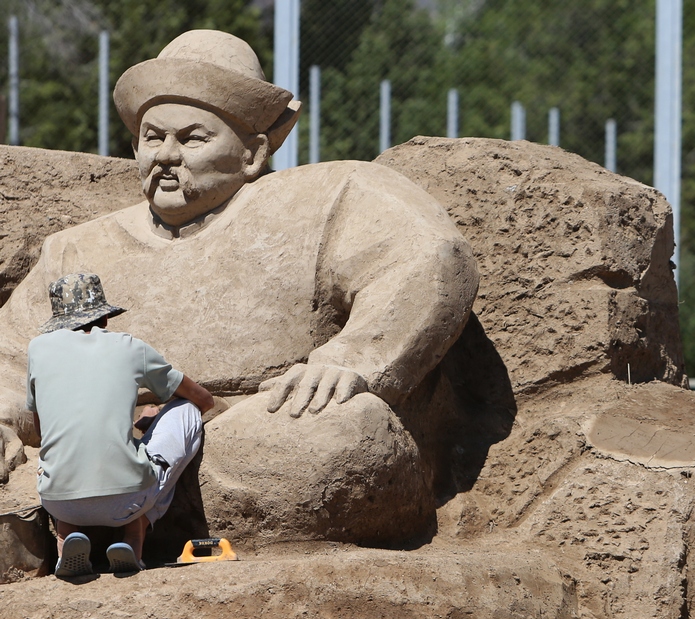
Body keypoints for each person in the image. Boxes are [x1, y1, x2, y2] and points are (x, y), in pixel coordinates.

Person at [0, 30, 477, 545]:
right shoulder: (75, 248)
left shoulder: (327, 196)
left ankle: (116, 525)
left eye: (193, 138)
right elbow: (13, 359)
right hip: (104, 442)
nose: (166, 154)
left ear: (252, 153)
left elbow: (429, 259)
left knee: (345, 433)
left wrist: (353, 357)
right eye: (152, 136)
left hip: (259, 429)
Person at [27, 273, 213, 578]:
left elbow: (42, 430)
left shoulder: (38, 349)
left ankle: (66, 541)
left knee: (59, 452)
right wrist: (155, 422)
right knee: (188, 412)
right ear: (105, 318)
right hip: (127, 501)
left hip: (59, 503)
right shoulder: (130, 347)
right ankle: (134, 537)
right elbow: (202, 400)